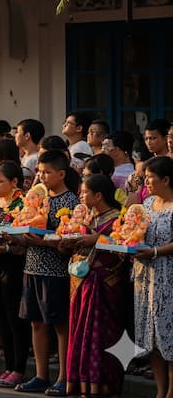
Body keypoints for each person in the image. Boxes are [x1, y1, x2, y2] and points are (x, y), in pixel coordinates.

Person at [13, 150, 80, 395]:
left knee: (61, 325)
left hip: (57, 271)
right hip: (32, 267)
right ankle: (41, 375)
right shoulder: (36, 197)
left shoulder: (70, 201)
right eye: (39, 171)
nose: (41, 176)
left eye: (47, 172)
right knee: (36, 323)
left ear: (61, 174)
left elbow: (71, 239)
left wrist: (44, 242)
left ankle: (64, 378)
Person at [62, 173, 128, 398]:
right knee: (80, 333)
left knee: (101, 337)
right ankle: (82, 385)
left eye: (84, 192)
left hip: (103, 285)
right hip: (81, 282)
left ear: (98, 195)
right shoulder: (86, 217)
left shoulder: (119, 218)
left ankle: (103, 386)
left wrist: (97, 239)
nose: (80, 195)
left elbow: (122, 250)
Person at [0, 162, 30, 388]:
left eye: (0, 181)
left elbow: (26, 241)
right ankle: (8, 367)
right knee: (1, 318)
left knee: (15, 320)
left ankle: (19, 369)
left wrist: (7, 247)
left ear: (14, 182)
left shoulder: (23, 204)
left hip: (14, 265)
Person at [134, 155, 173, 398]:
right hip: (145, 277)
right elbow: (135, 231)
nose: (146, 183)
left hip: (168, 275)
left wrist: (156, 251)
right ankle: (160, 391)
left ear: (167, 179)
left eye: (151, 178)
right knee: (152, 338)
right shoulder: (147, 204)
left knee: (170, 335)